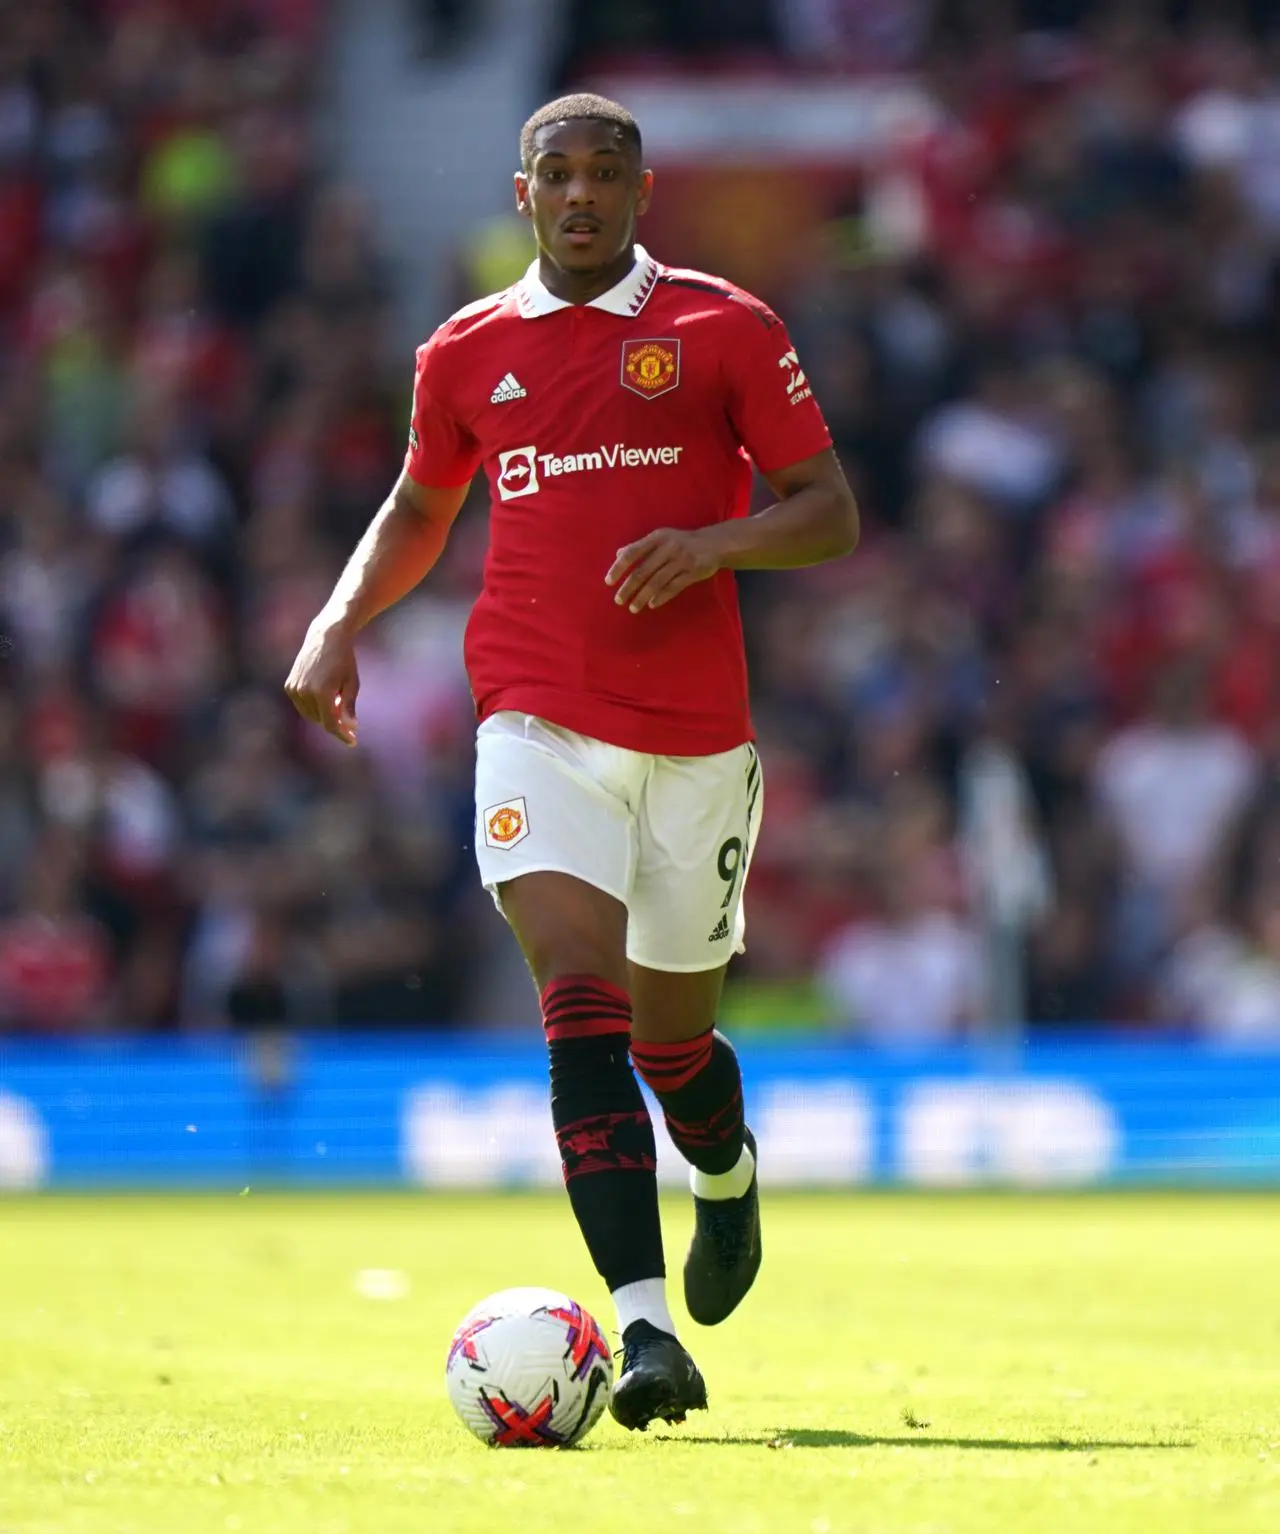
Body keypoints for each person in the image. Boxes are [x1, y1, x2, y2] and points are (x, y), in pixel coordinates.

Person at [285, 93, 858, 1432]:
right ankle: (649, 1330)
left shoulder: (725, 326)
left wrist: (710, 545)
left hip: (699, 739)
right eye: (560, 174)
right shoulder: (464, 352)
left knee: (672, 1044)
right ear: (523, 191)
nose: (584, 194)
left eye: (608, 173)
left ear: (642, 192)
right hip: (534, 716)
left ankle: (725, 1177)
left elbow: (829, 510)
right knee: (578, 1000)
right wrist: (336, 620)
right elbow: (423, 503)